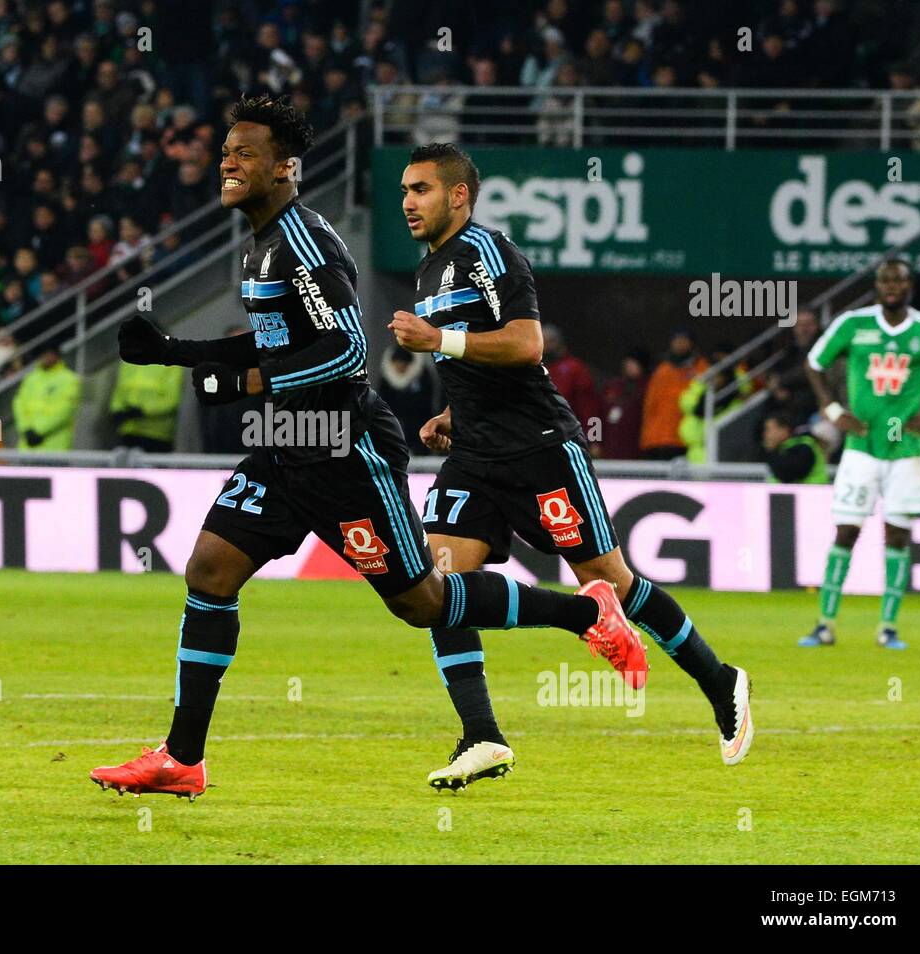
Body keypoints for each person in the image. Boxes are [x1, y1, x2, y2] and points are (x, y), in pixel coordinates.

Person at [91, 100, 639, 802]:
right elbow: (279, 346)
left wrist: (223, 373)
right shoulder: (260, 241)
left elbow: (347, 350)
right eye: (225, 150)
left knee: (423, 602)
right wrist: (178, 354)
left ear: (285, 168)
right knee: (209, 570)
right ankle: (182, 758)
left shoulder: (307, 242)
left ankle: (586, 615)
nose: (228, 161)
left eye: (245, 152)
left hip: (347, 451)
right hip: (289, 443)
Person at [390, 143, 752, 785]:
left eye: (420, 189)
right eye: (404, 191)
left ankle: (721, 681)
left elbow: (526, 345)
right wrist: (453, 409)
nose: (408, 202)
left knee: (614, 584)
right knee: (438, 588)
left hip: (540, 449)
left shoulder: (489, 252)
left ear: (458, 194)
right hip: (475, 454)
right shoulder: (427, 270)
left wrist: (438, 339)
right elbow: (474, 359)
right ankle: (482, 735)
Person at [800, 259, 920, 649]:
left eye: (898, 279)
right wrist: (832, 410)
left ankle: (888, 628)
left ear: (910, 285)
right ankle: (825, 623)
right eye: (885, 280)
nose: (892, 286)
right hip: (860, 448)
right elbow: (815, 362)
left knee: (897, 535)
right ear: (877, 285)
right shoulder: (853, 324)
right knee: (847, 530)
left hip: (906, 448)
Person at [640, 329, 707, 459]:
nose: (680, 344)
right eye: (677, 340)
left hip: (685, 439)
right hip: (658, 439)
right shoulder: (663, 370)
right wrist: (647, 438)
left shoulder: (701, 369)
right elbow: (650, 406)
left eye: (684, 340)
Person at [543, 323, 602, 453]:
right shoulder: (540, 368)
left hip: (569, 437)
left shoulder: (575, 369)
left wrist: (595, 439)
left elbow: (590, 408)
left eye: (546, 342)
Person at [11, 342, 80, 450]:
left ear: (57, 356)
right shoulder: (30, 378)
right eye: (43, 354)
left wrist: (38, 430)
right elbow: (18, 404)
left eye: (50, 354)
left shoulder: (69, 379)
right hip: (28, 446)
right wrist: (26, 429)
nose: (46, 357)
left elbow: (65, 410)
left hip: (55, 447)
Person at [108, 360, 183, 452]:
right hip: (128, 430)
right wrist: (117, 410)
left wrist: (143, 411)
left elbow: (171, 399)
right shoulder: (128, 360)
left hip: (157, 434)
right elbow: (119, 390)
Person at [377, 344, 434, 455]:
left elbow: (426, 402)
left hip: (418, 426)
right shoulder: (387, 378)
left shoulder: (422, 375)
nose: (400, 367)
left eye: (402, 363)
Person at [599, 350, 648, 460]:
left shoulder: (647, 389)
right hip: (609, 449)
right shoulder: (612, 386)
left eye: (634, 363)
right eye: (628, 363)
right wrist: (595, 441)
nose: (630, 367)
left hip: (634, 451)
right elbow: (596, 417)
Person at [761, 412, 828, 484]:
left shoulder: (804, 446)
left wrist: (772, 452)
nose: (765, 434)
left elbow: (788, 476)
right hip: (794, 493)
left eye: (769, 429)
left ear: (784, 430)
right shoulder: (781, 448)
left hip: (813, 493)